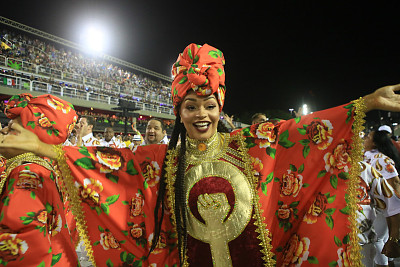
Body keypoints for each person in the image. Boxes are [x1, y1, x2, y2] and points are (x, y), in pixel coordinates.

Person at [2, 43, 400, 266]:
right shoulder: (162, 160)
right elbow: (110, 168)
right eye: (190, 106)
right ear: (179, 111)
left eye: (208, 104)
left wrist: (365, 102)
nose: (201, 114)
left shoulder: (246, 146)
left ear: (221, 107)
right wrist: (40, 147)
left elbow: (296, 134)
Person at [0, 93, 79, 266]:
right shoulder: (32, 167)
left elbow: (22, 249)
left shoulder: (26, 174)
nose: (3, 131)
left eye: (12, 129)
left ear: (33, 139)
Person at [364, 129, 400, 267]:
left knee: (379, 242)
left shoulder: (382, 159)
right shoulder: (366, 156)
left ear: (374, 143)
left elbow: (395, 184)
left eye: (368, 136)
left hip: (381, 208)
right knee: (381, 245)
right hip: (374, 207)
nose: (365, 138)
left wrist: (394, 209)